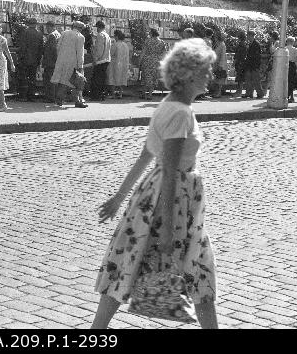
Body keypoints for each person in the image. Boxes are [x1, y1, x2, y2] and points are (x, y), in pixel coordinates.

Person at [92, 38, 218, 330]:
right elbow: (171, 169)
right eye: (206, 71)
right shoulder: (180, 113)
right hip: (172, 203)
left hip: (155, 198)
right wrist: (170, 230)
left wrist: (120, 197)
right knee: (197, 270)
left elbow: (147, 155)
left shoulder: (169, 105)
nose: (211, 76)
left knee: (130, 263)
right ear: (189, 75)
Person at [50, 21, 87, 108]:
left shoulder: (64, 33)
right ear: (80, 28)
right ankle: (77, 101)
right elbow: (80, 53)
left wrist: (60, 58)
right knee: (76, 82)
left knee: (62, 81)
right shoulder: (80, 37)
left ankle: (59, 100)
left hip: (61, 61)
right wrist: (80, 66)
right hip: (73, 62)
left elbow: (58, 47)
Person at [17, 18, 45, 102]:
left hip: (25, 59)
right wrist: (38, 60)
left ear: (28, 24)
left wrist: (20, 57)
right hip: (35, 60)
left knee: (24, 78)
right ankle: (31, 96)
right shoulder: (39, 34)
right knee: (32, 78)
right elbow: (41, 49)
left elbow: (22, 47)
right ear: (36, 24)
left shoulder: (25, 32)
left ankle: (23, 96)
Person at [140, 29, 169, 100]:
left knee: (145, 76)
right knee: (153, 77)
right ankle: (150, 94)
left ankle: (143, 93)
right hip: (156, 61)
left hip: (147, 60)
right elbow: (165, 53)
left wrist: (140, 60)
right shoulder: (162, 42)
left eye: (149, 33)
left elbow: (143, 52)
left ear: (152, 33)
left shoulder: (148, 41)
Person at [90, 21, 112, 101]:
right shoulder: (107, 35)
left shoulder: (100, 35)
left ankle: (96, 95)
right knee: (102, 78)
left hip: (100, 60)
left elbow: (99, 49)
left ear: (98, 27)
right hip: (106, 59)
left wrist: (95, 59)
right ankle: (102, 95)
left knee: (96, 79)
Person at [107, 30, 130, 99]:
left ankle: (113, 94)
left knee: (113, 78)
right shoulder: (126, 45)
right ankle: (120, 94)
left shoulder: (115, 44)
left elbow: (111, 54)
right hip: (124, 64)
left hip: (115, 63)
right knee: (122, 78)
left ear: (117, 36)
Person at [42, 21, 61, 103]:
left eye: (47, 27)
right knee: (54, 80)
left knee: (49, 80)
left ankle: (50, 97)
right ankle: (54, 96)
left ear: (52, 27)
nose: (47, 29)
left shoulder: (52, 35)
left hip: (50, 61)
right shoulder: (58, 34)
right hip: (55, 61)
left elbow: (52, 50)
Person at [242, 30, 263, 99]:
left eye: (248, 35)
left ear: (251, 36)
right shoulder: (250, 43)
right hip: (249, 65)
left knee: (256, 80)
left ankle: (260, 93)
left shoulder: (256, 44)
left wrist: (256, 65)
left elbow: (257, 56)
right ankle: (249, 93)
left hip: (254, 65)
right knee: (248, 80)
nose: (247, 37)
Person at [210, 30, 227, 97]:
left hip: (220, 64)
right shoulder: (217, 44)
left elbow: (223, 55)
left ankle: (219, 93)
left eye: (216, 36)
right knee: (217, 78)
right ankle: (216, 92)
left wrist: (221, 65)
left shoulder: (222, 45)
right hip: (216, 63)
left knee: (220, 79)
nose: (214, 37)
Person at [233, 32, 247, 97]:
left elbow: (238, 55)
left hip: (240, 62)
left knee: (240, 77)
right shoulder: (244, 44)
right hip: (242, 62)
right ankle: (239, 90)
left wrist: (234, 62)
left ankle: (239, 91)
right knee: (239, 77)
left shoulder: (241, 45)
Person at [286, 36, 297, 103]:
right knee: (291, 81)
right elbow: (295, 60)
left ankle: (288, 96)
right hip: (291, 65)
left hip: (285, 65)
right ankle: (289, 96)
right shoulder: (294, 49)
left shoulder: (284, 48)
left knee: (286, 81)